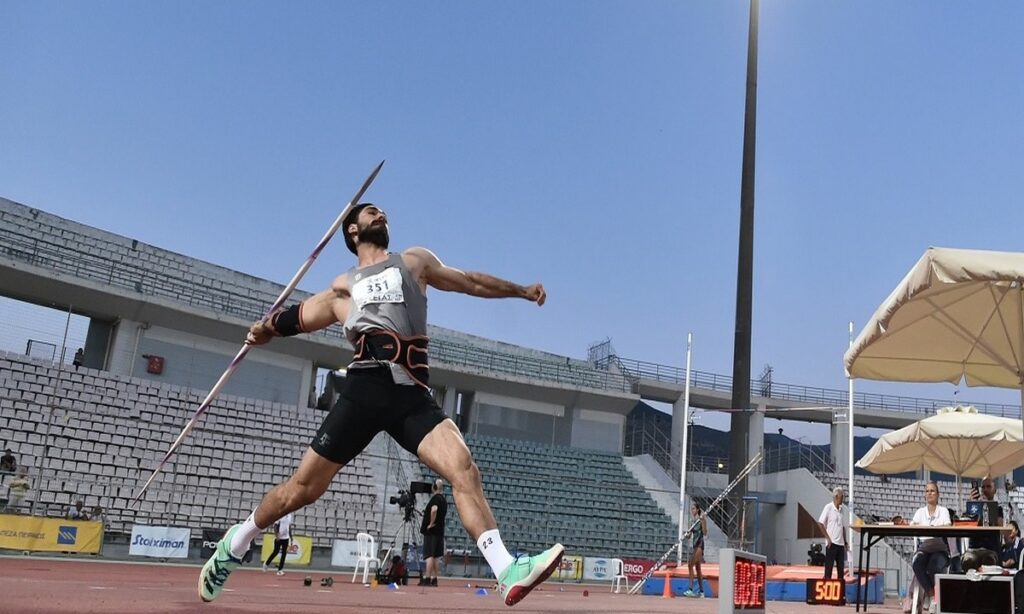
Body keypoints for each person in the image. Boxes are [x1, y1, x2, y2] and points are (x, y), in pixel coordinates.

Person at [199, 202, 562, 606]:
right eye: (371, 212)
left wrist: (521, 291)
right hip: (365, 389)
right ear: (352, 231)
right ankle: (236, 542)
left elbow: (469, 282)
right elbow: (294, 319)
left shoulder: (414, 262)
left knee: (465, 470)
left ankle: (507, 570)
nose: (381, 214)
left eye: (383, 211)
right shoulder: (343, 287)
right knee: (302, 490)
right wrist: (263, 329)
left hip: (411, 394)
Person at [910, 481, 953, 612]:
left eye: (932, 491)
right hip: (924, 549)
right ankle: (931, 595)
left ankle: (935, 598)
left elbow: (948, 527)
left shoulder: (943, 511)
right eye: (927, 491)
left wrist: (932, 527)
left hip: (940, 550)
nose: (929, 493)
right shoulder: (920, 512)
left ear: (938, 494)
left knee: (934, 565)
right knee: (916, 563)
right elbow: (912, 525)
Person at [816, 487, 848, 582]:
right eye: (842, 496)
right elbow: (820, 523)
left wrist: (845, 541)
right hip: (832, 543)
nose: (843, 499)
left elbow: (843, 527)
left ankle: (841, 593)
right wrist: (828, 538)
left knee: (840, 569)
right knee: (829, 568)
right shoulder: (828, 507)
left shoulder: (841, 510)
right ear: (836, 496)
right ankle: (826, 589)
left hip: (840, 544)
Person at [420, 478, 447, 587]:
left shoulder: (435, 499)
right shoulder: (444, 500)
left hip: (432, 531)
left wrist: (430, 523)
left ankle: (427, 578)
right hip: (440, 531)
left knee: (429, 555)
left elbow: (434, 510)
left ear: (434, 487)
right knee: (436, 556)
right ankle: (434, 578)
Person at [682, 503, 708, 598]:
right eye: (691, 509)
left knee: (690, 564)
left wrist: (704, 521)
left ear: (697, 510)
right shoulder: (691, 521)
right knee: (698, 569)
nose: (692, 510)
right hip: (694, 546)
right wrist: (687, 533)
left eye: (693, 509)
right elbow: (689, 537)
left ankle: (690, 589)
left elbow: (705, 533)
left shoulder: (701, 520)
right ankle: (702, 592)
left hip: (700, 545)